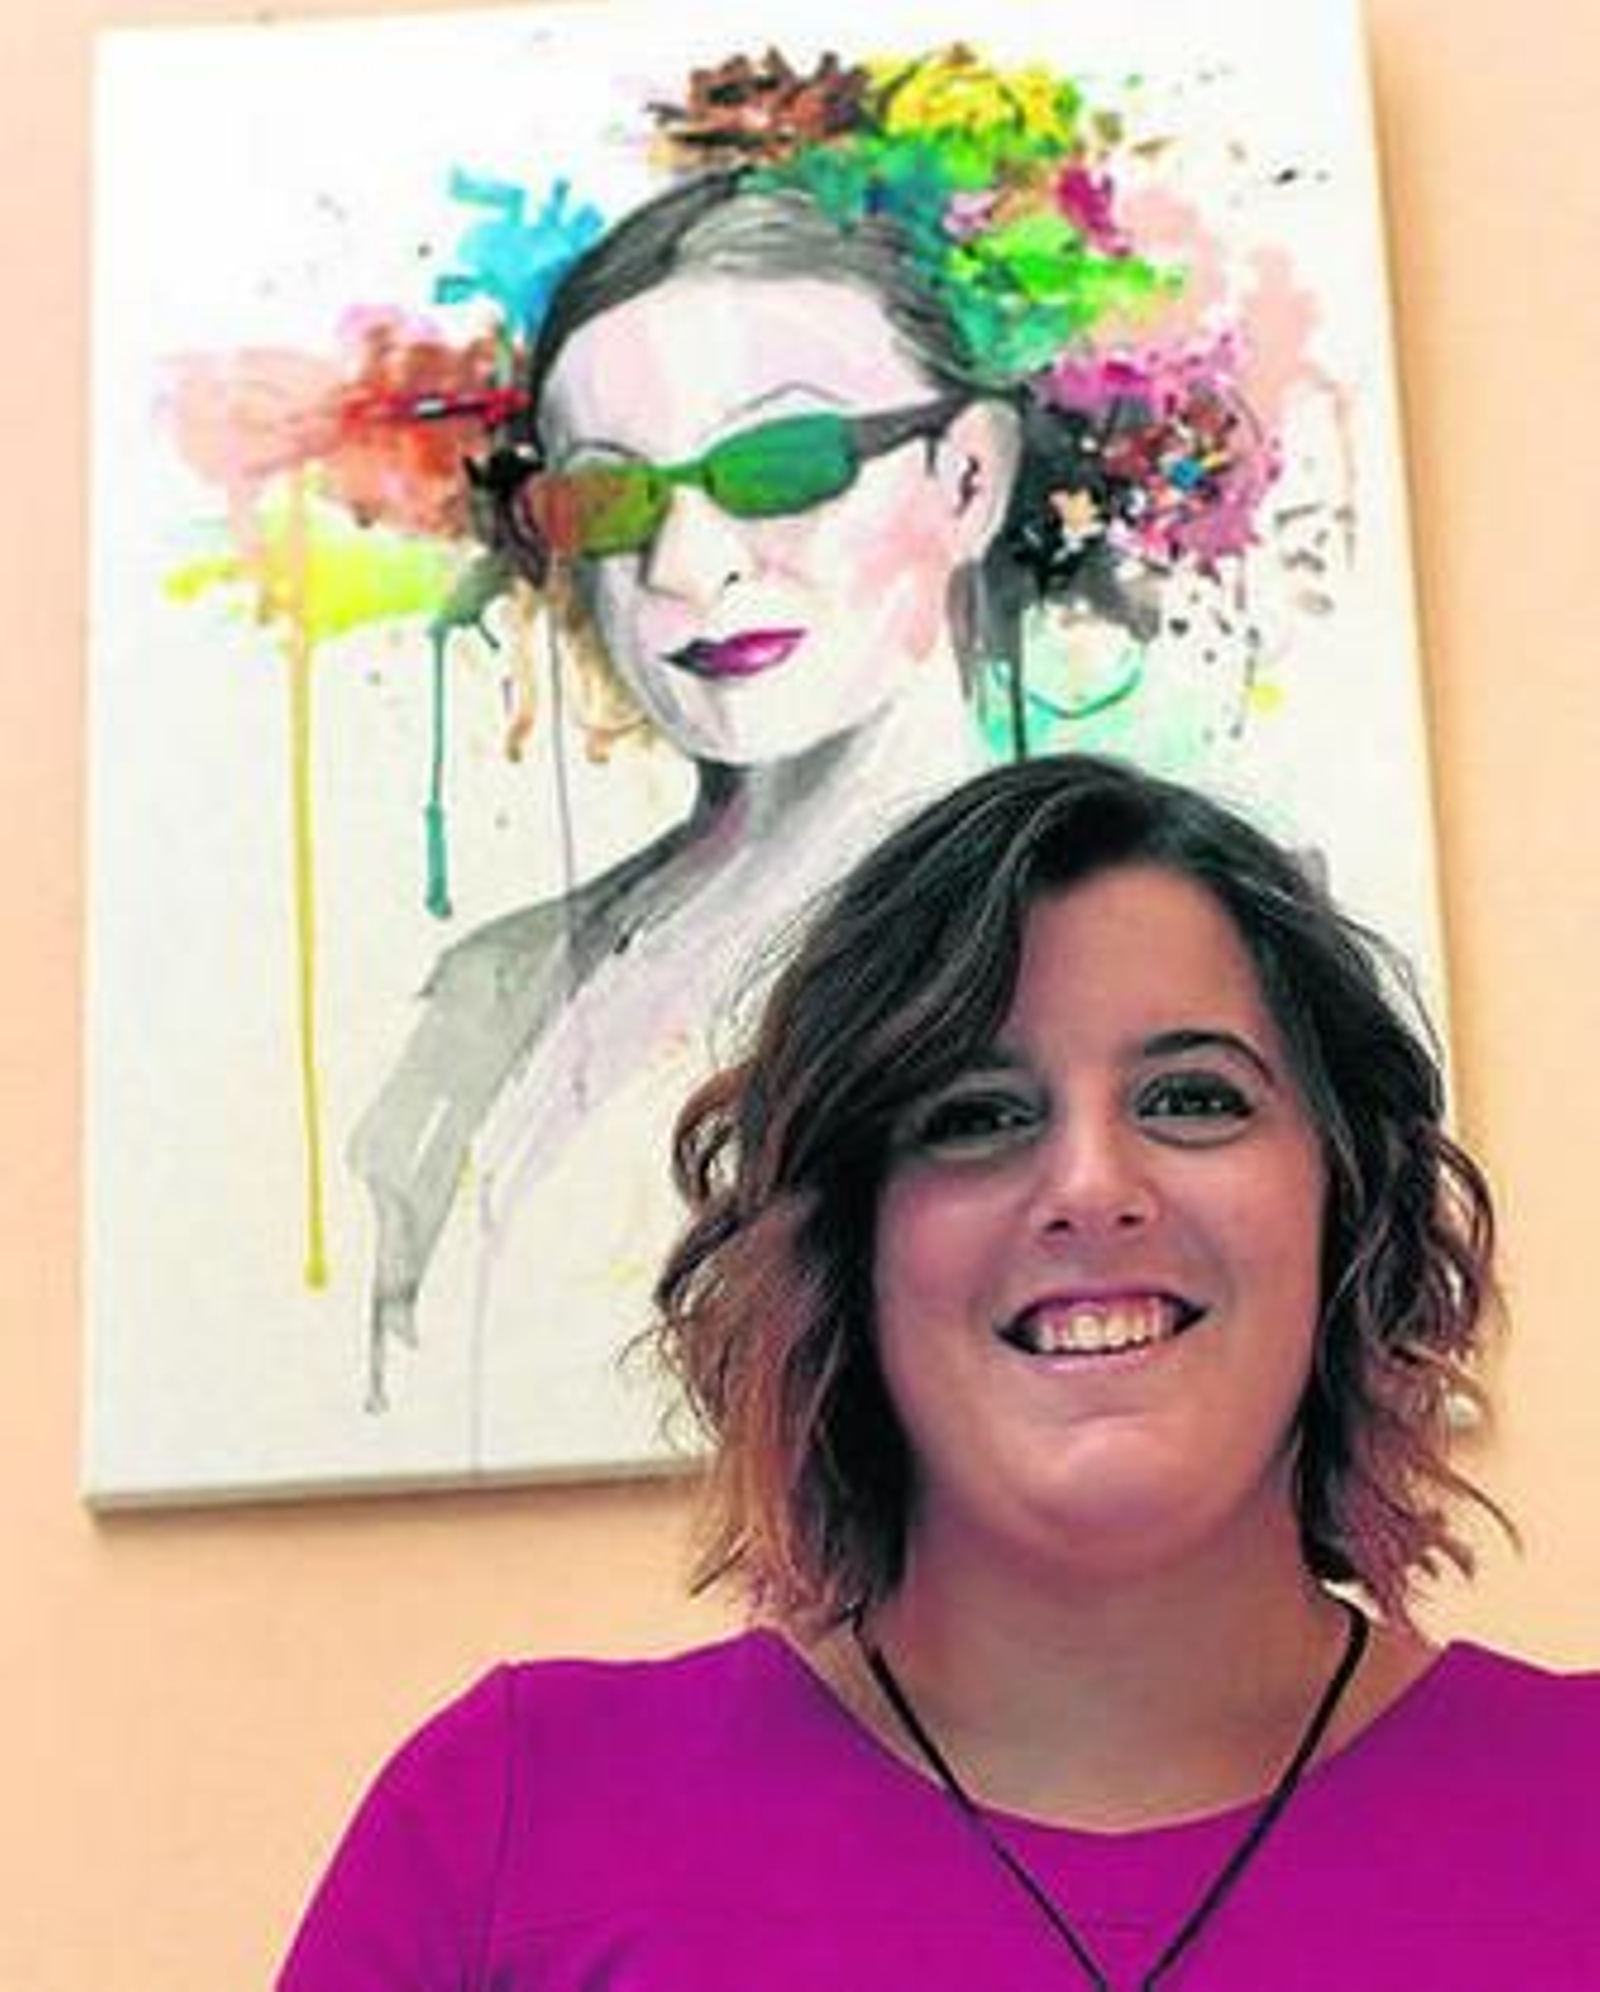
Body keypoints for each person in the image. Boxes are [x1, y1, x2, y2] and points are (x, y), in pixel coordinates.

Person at [278, 753, 1600, 1990]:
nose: (1092, 1185)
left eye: (1194, 1098)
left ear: (1346, 1205)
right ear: (845, 1246)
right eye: (975, 1116)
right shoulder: (513, 1825)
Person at [347, 45, 1304, 1415]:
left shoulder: (1150, 949)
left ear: (969, 476)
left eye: (780, 466)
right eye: (610, 500)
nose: (689, 568)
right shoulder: (493, 987)